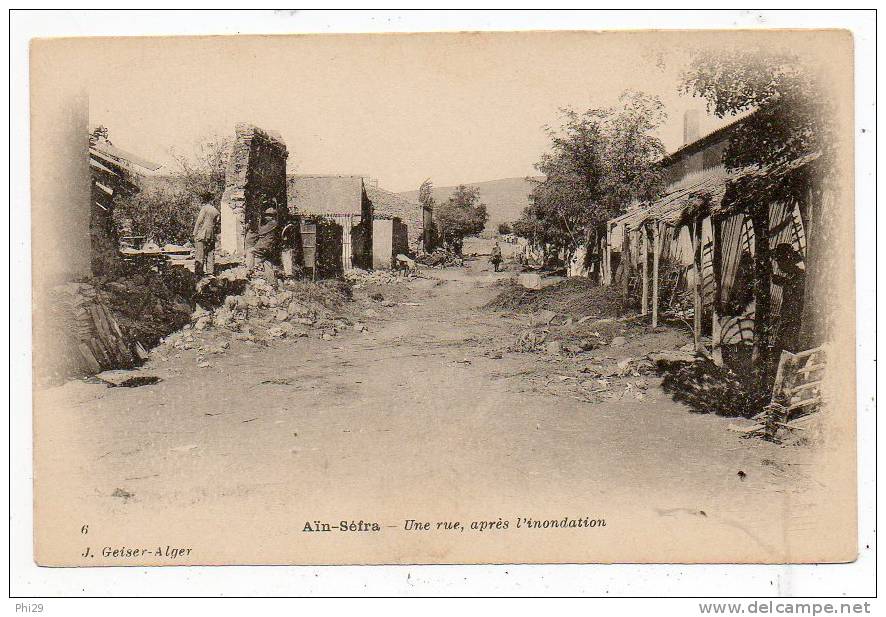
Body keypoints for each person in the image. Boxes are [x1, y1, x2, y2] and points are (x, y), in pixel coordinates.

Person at [771, 243, 806, 354]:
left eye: (780, 262)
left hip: (794, 321)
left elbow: (792, 286)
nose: (779, 266)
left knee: (786, 349)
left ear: (788, 260)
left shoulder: (800, 276)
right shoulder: (793, 276)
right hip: (787, 319)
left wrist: (782, 281)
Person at [192, 193, 220, 277]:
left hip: (202, 233)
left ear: (205, 200)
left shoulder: (204, 209)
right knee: (210, 252)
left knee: (200, 253)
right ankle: (210, 272)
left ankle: (198, 272)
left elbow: (199, 221)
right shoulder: (216, 210)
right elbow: (217, 224)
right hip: (211, 234)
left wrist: (194, 233)